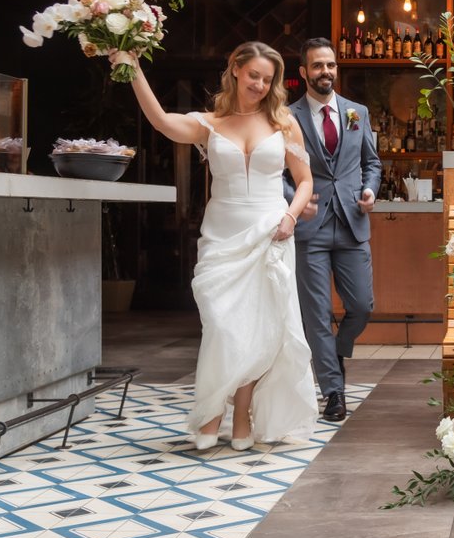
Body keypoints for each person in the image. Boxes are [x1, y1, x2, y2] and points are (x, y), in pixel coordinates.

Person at [120, 42, 319, 451]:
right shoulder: (209, 124)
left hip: (270, 232)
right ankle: (211, 413)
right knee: (222, 327)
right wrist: (133, 67)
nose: (260, 85)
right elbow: (161, 121)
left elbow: (305, 181)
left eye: (267, 79)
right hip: (222, 235)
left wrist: (290, 217)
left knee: (261, 329)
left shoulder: (284, 124)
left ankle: (242, 415)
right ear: (235, 69)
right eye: (254, 75)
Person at [285, 38, 381, 421]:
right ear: (303, 72)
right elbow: (277, 171)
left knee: (362, 306)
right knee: (317, 314)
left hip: (353, 222)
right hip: (310, 227)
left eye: (331, 65)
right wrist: (294, 200)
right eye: (318, 66)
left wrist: (370, 189)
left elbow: (371, 163)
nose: (326, 72)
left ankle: (339, 350)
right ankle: (333, 392)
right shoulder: (287, 116)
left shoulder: (358, 113)